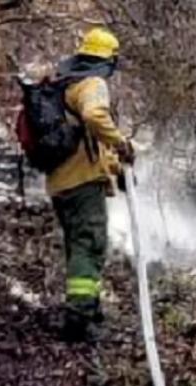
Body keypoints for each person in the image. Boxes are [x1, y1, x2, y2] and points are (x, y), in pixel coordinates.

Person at [46, 27, 135, 341]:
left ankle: (87, 308)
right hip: (82, 184)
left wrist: (115, 168)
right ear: (108, 60)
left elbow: (88, 145)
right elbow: (95, 117)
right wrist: (121, 142)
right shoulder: (92, 83)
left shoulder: (65, 83)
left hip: (61, 183)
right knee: (90, 245)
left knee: (78, 245)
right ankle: (79, 321)